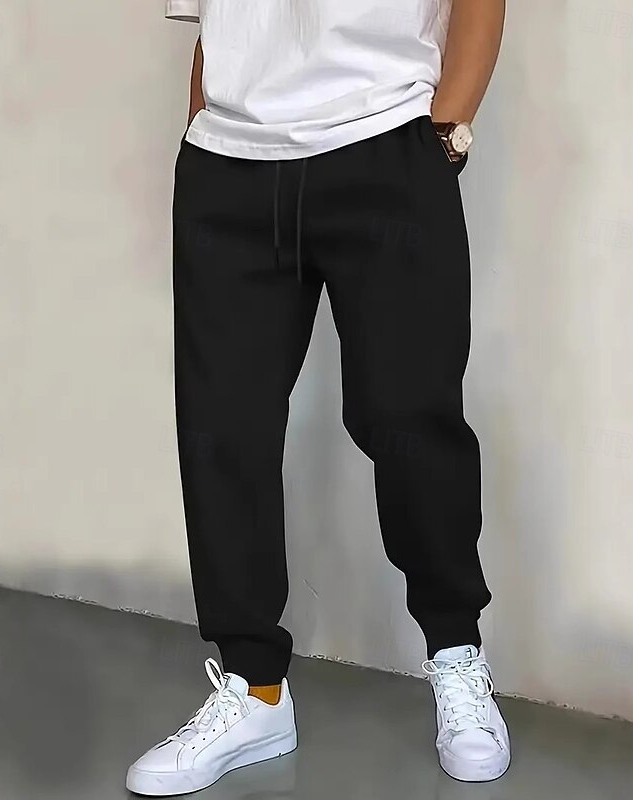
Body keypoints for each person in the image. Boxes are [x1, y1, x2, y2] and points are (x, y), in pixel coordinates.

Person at [127, 0, 508, 794]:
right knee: (222, 429)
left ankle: (456, 655)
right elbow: (215, 24)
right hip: (229, 161)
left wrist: (444, 133)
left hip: (385, 139)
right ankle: (254, 689)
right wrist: (205, 134)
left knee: (409, 417)